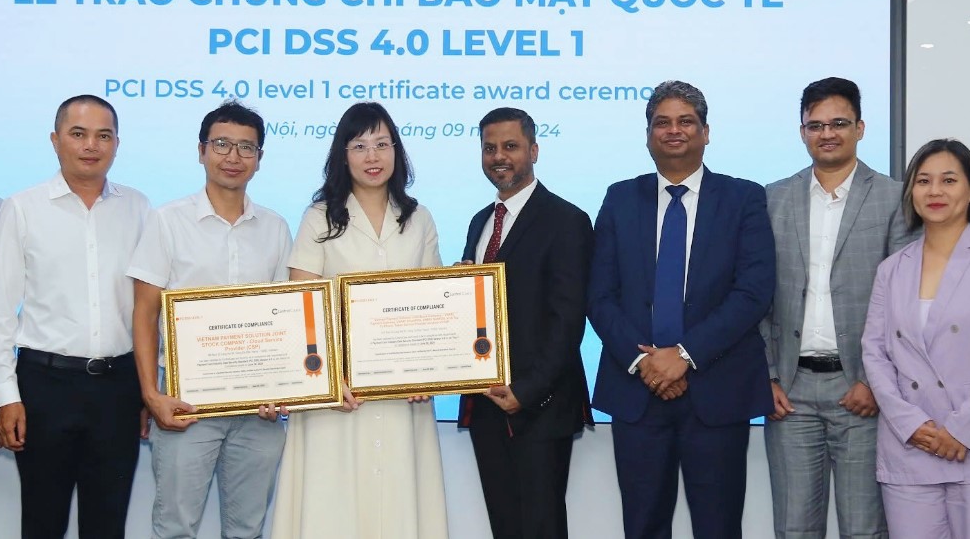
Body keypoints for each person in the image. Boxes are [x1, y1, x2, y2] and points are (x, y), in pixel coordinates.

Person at [587, 80, 775, 539]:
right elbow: (599, 294)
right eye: (662, 122)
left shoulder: (744, 198)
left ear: (706, 132)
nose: (674, 130)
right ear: (648, 135)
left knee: (718, 527)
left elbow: (753, 292)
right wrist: (646, 363)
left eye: (686, 121)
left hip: (717, 389)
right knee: (643, 526)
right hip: (638, 391)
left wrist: (685, 355)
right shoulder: (619, 198)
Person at [271, 102, 448, 539]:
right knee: (332, 512)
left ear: (397, 151)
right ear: (343, 154)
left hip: (403, 395)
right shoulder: (319, 217)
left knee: (400, 509)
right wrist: (330, 379)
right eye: (360, 145)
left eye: (382, 144)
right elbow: (303, 307)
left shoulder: (419, 218)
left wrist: (428, 372)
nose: (373, 156)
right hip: (338, 397)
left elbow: (435, 307)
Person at [0, 95, 151, 539]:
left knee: (107, 525)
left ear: (117, 144)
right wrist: (6, 397)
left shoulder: (138, 208)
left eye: (103, 135)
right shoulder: (23, 207)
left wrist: (148, 390)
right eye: (78, 134)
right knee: (43, 522)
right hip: (44, 387)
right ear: (56, 140)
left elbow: (148, 308)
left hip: (118, 388)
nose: (91, 145)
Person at [128, 101, 293, 539]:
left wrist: (287, 388)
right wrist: (151, 394)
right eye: (221, 144)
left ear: (259, 158)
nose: (233, 157)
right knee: (175, 528)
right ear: (201, 151)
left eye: (246, 147)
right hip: (186, 405)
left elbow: (287, 317)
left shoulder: (275, 227)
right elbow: (144, 312)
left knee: (247, 529)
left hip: (258, 409)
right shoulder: (167, 221)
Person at [762, 77, 913, 538]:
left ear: (860, 128)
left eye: (839, 123)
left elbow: (903, 302)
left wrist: (873, 381)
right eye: (816, 125)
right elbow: (756, 296)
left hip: (861, 393)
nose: (827, 133)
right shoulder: (771, 198)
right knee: (794, 528)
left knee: (864, 529)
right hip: (790, 393)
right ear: (802, 132)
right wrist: (767, 376)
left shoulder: (895, 198)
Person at [861, 139, 970, 539]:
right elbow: (875, 352)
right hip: (912, 447)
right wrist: (910, 423)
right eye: (923, 181)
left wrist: (962, 430)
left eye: (949, 180)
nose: (934, 191)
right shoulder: (891, 269)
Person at [457, 107, 593, 539]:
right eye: (490, 148)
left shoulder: (567, 220)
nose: (499, 156)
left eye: (511, 146)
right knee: (505, 526)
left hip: (540, 406)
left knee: (541, 527)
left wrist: (526, 392)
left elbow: (568, 319)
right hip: (486, 405)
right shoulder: (480, 222)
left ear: (533, 151)